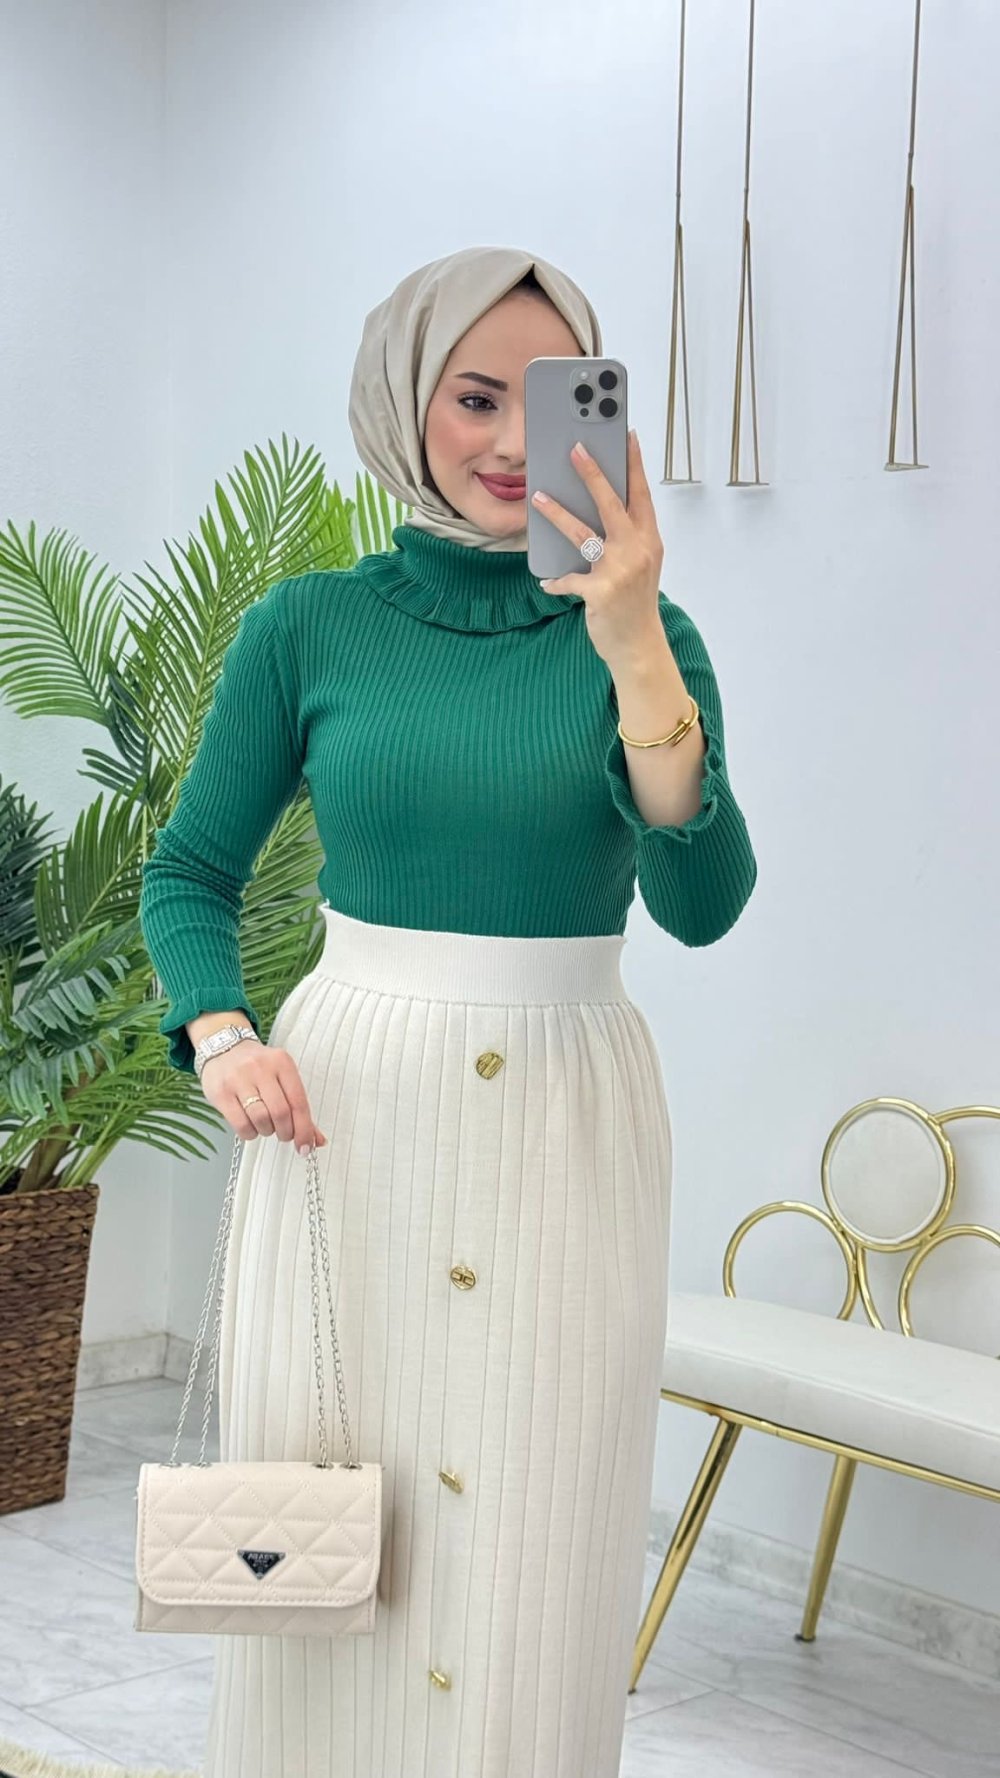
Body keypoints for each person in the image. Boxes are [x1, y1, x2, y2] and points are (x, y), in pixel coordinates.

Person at [138, 243, 757, 1778]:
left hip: (566, 1115)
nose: (508, 442)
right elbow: (192, 871)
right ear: (405, 402)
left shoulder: (652, 639)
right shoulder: (308, 625)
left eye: (548, 402)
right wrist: (221, 1033)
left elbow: (702, 901)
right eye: (474, 397)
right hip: (351, 1121)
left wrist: (629, 643)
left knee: (540, 1520)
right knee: (335, 1523)